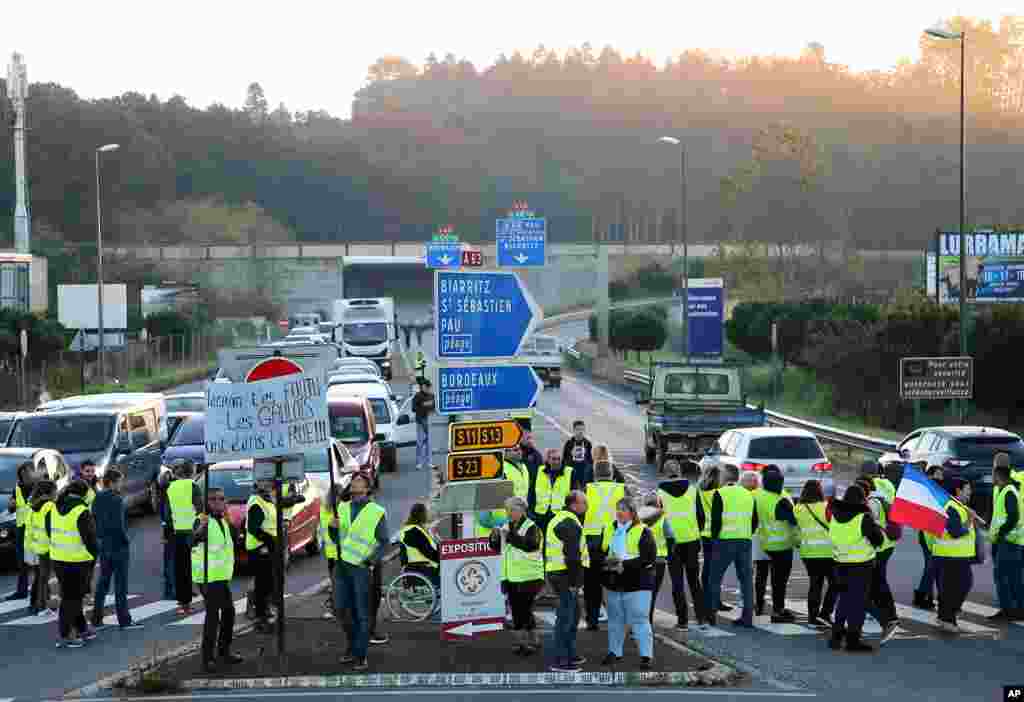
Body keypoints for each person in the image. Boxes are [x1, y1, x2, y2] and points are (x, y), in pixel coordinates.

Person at [329, 472, 389, 671]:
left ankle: (360, 654)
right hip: (341, 565)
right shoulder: (342, 507)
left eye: (360, 481)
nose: (356, 483)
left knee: (361, 613)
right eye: (353, 480)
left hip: (360, 568)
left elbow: (383, 542)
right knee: (340, 609)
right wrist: (332, 528)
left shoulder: (376, 511)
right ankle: (353, 646)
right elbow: (338, 538)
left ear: (367, 488)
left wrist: (370, 562)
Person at [828, 484, 885, 652]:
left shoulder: (835, 516)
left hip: (840, 563)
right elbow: (878, 540)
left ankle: (836, 637)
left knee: (843, 601)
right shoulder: (863, 518)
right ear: (862, 499)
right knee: (858, 604)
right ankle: (853, 641)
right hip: (861, 565)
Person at [192, 487, 243, 673]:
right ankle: (208, 658)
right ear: (207, 502)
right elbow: (192, 540)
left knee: (229, 612)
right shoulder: (202, 520)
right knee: (213, 617)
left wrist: (229, 519)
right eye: (213, 499)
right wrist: (200, 528)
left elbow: (236, 540)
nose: (217, 502)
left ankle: (224, 651)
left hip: (221, 576)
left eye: (221, 498)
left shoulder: (223, 520)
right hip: (207, 577)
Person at [601, 497, 656, 669]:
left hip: (637, 583)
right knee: (615, 620)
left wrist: (622, 565)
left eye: (623, 509)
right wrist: (608, 564)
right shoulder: (609, 528)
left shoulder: (644, 531)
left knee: (639, 620)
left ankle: (646, 656)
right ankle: (614, 652)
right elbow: (602, 551)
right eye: (618, 509)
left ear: (632, 512)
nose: (619, 512)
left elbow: (648, 558)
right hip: (614, 582)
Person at [703, 466, 757, 627]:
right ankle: (747, 617)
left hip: (724, 541)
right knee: (746, 581)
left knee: (715, 578)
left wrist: (714, 538)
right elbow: (755, 520)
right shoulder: (748, 495)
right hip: (745, 541)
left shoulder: (720, 494)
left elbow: (716, 520)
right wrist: (747, 532)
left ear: (724, 479)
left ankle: (711, 615)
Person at [658, 462, 709, 630]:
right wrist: (696, 531)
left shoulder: (660, 493)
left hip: (672, 542)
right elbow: (701, 516)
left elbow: (657, 519)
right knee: (694, 580)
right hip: (692, 540)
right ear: (679, 472)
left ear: (666, 474)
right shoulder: (693, 490)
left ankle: (682, 621)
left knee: (677, 582)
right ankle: (702, 618)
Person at [490, 496, 543, 655]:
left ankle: (526, 643)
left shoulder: (532, 526)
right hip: (512, 576)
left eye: (511, 510)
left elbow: (531, 545)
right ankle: (531, 641)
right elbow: (496, 547)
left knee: (523, 611)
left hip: (529, 576)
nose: (508, 513)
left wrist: (509, 536)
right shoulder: (507, 526)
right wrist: (493, 537)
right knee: (519, 611)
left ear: (520, 510)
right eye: (507, 510)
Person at [90, 469, 141, 630]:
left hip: (104, 544)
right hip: (118, 546)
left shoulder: (97, 498)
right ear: (112, 482)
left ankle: (96, 619)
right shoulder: (117, 500)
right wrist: (126, 540)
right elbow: (119, 525)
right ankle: (124, 620)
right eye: (120, 481)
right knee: (120, 585)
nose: (122, 484)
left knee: (103, 583)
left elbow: (95, 519)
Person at [50, 480, 99, 648]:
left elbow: (50, 531)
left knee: (71, 596)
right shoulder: (81, 510)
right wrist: (94, 556)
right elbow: (90, 540)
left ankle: (82, 628)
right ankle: (65, 635)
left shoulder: (55, 507)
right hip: (77, 560)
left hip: (58, 558)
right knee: (73, 599)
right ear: (85, 494)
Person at [545, 490, 589, 673]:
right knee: (566, 618)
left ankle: (570, 654)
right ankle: (561, 661)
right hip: (564, 576)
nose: (586, 506)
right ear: (574, 505)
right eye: (584, 503)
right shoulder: (569, 523)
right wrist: (575, 583)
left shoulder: (561, 518)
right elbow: (572, 557)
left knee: (574, 615)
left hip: (559, 573)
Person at [582, 460, 625, 630]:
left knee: (591, 585)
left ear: (595, 474)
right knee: (616, 583)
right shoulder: (621, 489)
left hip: (592, 542)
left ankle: (592, 621)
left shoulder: (587, 489)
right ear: (612, 474)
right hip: (614, 543)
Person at [934, 477, 980, 632]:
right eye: (968, 489)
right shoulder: (950, 507)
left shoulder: (960, 507)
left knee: (959, 586)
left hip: (959, 555)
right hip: (950, 556)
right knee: (954, 589)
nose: (970, 493)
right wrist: (970, 520)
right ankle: (947, 619)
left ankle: (946, 615)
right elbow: (955, 532)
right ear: (958, 490)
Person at [857, 474, 899, 643]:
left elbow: (868, 526)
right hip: (884, 546)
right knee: (878, 582)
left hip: (879, 548)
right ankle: (888, 615)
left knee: (877, 583)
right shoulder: (879, 498)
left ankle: (889, 616)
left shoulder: (872, 503)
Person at [753, 466, 798, 622]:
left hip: (765, 541)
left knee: (762, 574)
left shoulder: (758, 495)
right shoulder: (783, 498)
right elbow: (793, 521)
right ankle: (778, 610)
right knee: (780, 581)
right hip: (783, 545)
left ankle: (758, 605)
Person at [794, 479, 836, 627]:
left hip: (808, 553)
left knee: (815, 585)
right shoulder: (826, 507)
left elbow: (797, 532)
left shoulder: (798, 508)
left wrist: (799, 543)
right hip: (829, 552)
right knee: (835, 584)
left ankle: (812, 617)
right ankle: (825, 613)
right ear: (820, 491)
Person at [167, 460, 202, 616]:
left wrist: (167, 532)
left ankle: (182, 603)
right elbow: (200, 508)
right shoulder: (193, 486)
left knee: (180, 569)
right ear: (192, 472)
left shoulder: (171, 487)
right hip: (192, 531)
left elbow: (167, 513)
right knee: (193, 567)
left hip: (176, 531)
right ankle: (190, 601)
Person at [989, 462, 1024, 621]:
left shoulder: (1008, 491)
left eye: (993, 474)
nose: (992, 477)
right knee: (1014, 577)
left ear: (998, 476)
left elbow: (1013, 517)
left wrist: (1001, 533)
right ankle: (1018, 610)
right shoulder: (1006, 490)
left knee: (1002, 576)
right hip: (1012, 542)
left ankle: (1008, 610)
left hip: (1008, 542)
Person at [246, 478, 279, 633]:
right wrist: (269, 540)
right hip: (260, 548)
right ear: (257, 484)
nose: (267, 485)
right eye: (263, 482)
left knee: (266, 583)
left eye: (268, 482)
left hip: (267, 547)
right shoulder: (257, 502)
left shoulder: (266, 499)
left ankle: (262, 612)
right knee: (263, 585)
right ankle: (260, 616)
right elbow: (253, 528)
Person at [696, 466, 729, 613]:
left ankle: (705, 598)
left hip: (704, 533)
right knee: (716, 569)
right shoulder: (720, 493)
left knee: (707, 567)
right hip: (717, 534)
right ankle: (715, 600)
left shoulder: (700, 492)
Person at [5, 461, 38, 601]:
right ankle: (22, 591)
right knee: (22, 563)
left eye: (29, 471)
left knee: (37, 563)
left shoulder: (39, 487)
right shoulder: (17, 488)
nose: (26, 475)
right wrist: (11, 504)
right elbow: (12, 508)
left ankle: (41, 591)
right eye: (23, 473)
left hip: (36, 529)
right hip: (21, 529)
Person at [913, 466, 944, 610]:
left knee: (932, 568)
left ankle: (928, 597)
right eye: (938, 475)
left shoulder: (936, 491)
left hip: (934, 535)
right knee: (931, 568)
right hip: (927, 535)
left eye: (941, 475)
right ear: (930, 476)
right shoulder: (926, 492)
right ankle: (922, 596)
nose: (941, 478)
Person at [27, 480, 58, 616]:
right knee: (48, 578)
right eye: (55, 491)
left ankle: (41, 606)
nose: (56, 493)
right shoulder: (49, 506)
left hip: (39, 545)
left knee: (42, 577)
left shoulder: (33, 505)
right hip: (49, 546)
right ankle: (43, 606)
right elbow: (51, 527)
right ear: (50, 492)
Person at [399, 503, 440, 603]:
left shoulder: (410, 529)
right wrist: (441, 557)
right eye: (427, 512)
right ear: (422, 514)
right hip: (423, 567)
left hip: (417, 566)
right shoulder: (414, 531)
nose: (429, 514)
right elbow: (427, 551)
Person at [529, 449, 574, 532]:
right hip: (541, 514)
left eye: (558, 459)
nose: (556, 462)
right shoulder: (539, 471)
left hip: (559, 514)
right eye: (553, 459)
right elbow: (531, 492)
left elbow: (573, 495)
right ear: (548, 460)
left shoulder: (569, 472)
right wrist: (531, 511)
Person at [642, 493, 669, 625]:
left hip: (641, 561)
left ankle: (638, 623)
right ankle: (648, 622)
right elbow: (671, 537)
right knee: (652, 593)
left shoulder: (637, 517)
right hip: (659, 560)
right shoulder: (663, 518)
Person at [157, 463, 177, 601]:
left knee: (171, 561)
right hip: (174, 528)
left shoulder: (165, 488)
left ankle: (171, 590)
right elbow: (165, 512)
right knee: (172, 561)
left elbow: (162, 512)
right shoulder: (171, 488)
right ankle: (170, 591)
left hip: (171, 528)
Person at [412, 379, 435, 471]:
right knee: (420, 443)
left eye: (429, 387)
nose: (428, 388)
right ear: (423, 387)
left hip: (429, 422)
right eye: (427, 386)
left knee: (429, 444)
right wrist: (422, 410)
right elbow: (413, 408)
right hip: (421, 422)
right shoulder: (417, 396)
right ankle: (419, 463)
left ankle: (429, 462)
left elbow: (433, 407)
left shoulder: (432, 396)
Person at [563, 420, 594, 489]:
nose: (580, 432)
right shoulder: (569, 443)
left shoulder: (587, 443)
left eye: (582, 429)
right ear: (574, 430)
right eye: (578, 429)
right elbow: (564, 458)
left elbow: (590, 459)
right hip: (572, 472)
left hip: (584, 473)